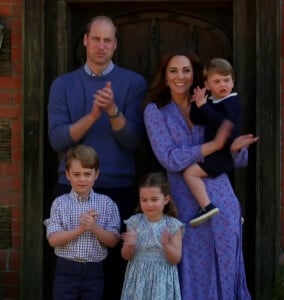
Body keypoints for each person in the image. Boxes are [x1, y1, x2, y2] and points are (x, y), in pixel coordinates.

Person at [143, 50, 259, 299]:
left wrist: (235, 148)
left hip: (222, 200)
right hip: (186, 204)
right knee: (193, 269)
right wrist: (213, 146)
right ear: (165, 77)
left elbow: (239, 158)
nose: (180, 76)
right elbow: (169, 157)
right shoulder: (155, 112)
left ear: (195, 75)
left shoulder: (212, 101)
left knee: (227, 267)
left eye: (186, 70)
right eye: (173, 71)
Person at [47, 15, 147, 299]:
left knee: (116, 271)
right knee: (71, 267)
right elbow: (58, 139)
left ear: (115, 44)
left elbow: (134, 141)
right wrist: (92, 116)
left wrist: (113, 111)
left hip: (118, 188)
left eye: (108, 40)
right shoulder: (63, 85)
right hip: (73, 188)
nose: (102, 46)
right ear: (86, 41)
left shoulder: (132, 83)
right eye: (97, 39)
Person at [44, 145, 120, 300]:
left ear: (96, 174)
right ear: (67, 175)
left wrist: (93, 227)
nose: (82, 179)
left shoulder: (107, 204)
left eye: (87, 174)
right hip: (66, 270)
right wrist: (81, 229)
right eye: (76, 174)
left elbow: (113, 241)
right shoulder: (59, 203)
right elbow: (53, 239)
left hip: (94, 271)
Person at [183, 58, 242, 227]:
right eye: (217, 81)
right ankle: (233, 211)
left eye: (226, 80)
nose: (223, 84)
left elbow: (222, 122)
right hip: (215, 153)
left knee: (190, 173)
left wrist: (204, 107)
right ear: (207, 85)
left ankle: (206, 206)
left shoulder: (232, 102)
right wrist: (197, 104)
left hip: (223, 153)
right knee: (222, 185)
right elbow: (197, 119)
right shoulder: (213, 102)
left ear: (233, 81)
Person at [120, 172, 184, 300]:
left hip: (162, 279)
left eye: (154, 199)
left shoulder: (173, 225)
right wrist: (129, 244)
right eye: (144, 200)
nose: (149, 204)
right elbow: (126, 256)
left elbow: (175, 259)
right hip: (137, 278)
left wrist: (166, 245)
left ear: (166, 199)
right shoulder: (134, 222)